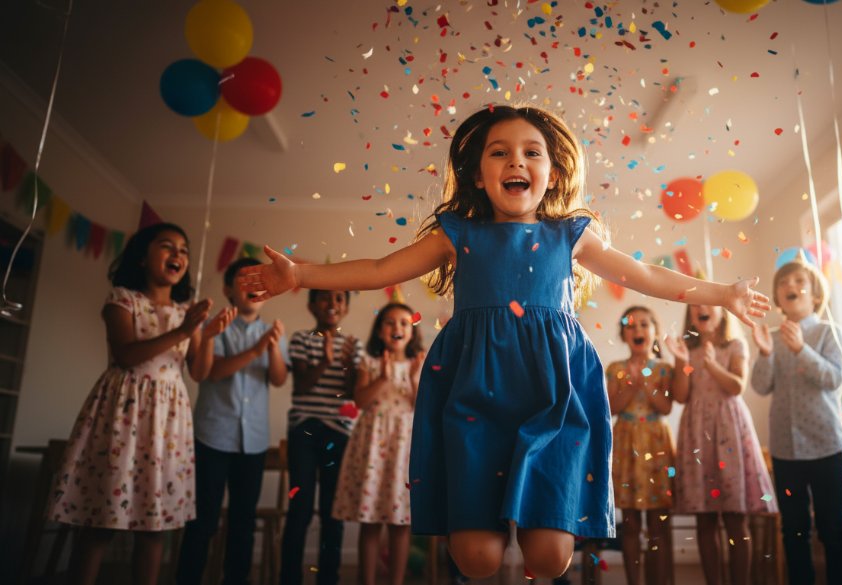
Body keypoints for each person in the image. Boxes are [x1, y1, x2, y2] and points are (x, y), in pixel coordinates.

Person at [238, 104, 770, 580]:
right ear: (478, 173)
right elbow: (380, 269)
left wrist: (723, 293)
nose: (516, 161)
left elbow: (643, 276)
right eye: (500, 152)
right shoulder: (457, 233)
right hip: (474, 390)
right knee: (478, 559)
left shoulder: (572, 234)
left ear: (551, 173)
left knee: (549, 557)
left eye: (530, 152)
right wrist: (301, 275)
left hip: (552, 391)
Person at [47, 222, 234, 585]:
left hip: (168, 422)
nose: (178, 254)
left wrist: (206, 336)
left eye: (183, 249)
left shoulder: (187, 311)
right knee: (101, 523)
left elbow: (199, 371)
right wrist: (183, 331)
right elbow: (125, 355)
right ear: (143, 257)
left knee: (154, 527)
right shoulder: (123, 299)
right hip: (125, 412)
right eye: (167, 246)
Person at [175, 257, 289, 585]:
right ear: (228, 289)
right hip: (213, 436)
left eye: (260, 280)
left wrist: (272, 348)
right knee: (203, 522)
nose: (253, 286)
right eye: (244, 280)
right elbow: (211, 371)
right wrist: (255, 351)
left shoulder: (274, 333)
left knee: (243, 523)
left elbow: (279, 379)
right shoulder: (213, 326)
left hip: (253, 441)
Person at [749, 258, 842, 585]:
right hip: (786, 452)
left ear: (815, 296)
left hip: (826, 447)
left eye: (798, 281)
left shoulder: (828, 331)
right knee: (793, 531)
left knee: (832, 529)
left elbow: (834, 378)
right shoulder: (771, 337)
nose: (790, 286)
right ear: (778, 298)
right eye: (783, 283)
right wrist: (765, 355)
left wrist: (801, 350)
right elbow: (761, 386)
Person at [664, 296, 776, 585]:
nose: (701, 308)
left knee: (736, 517)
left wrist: (712, 365)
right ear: (691, 314)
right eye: (697, 306)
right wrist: (681, 361)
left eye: (708, 304)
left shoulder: (735, 346)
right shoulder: (687, 349)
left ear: (722, 311)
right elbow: (680, 396)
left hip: (729, 432)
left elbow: (737, 386)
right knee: (705, 518)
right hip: (697, 434)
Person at [333, 302, 425, 585]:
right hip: (373, 443)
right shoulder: (369, 362)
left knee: (401, 522)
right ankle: (368, 580)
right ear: (379, 329)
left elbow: (421, 407)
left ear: (411, 331)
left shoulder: (418, 363)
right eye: (389, 322)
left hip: (403, 446)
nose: (396, 328)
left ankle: (396, 580)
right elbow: (359, 401)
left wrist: (413, 379)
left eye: (403, 323)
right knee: (370, 519)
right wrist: (383, 377)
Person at [280, 289, 362, 585]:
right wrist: (326, 361)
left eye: (340, 299)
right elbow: (301, 386)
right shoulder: (301, 339)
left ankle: (328, 578)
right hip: (305, 430)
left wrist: (348, 363)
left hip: (339, 434)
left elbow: (354, 394)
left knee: (333, 512)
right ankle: (289, 578)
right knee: (299, 510)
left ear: (347, 308)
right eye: (325, 298)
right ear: (312, 305)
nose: (333, 304)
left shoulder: (354, 345)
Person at [606, 306, 675, 585]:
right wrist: (632, 386)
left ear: (654, 332)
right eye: (631, 326)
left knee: (658, 521)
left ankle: (658, 579)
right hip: (626, 444)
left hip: (656, 444)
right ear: (623, 334)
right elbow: (610, 407)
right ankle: (635, 580)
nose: (638, 330)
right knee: (631, 521)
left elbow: (666, 407)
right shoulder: (616, 369)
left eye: (644, 325)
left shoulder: (664, 369)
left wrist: (647, 384)